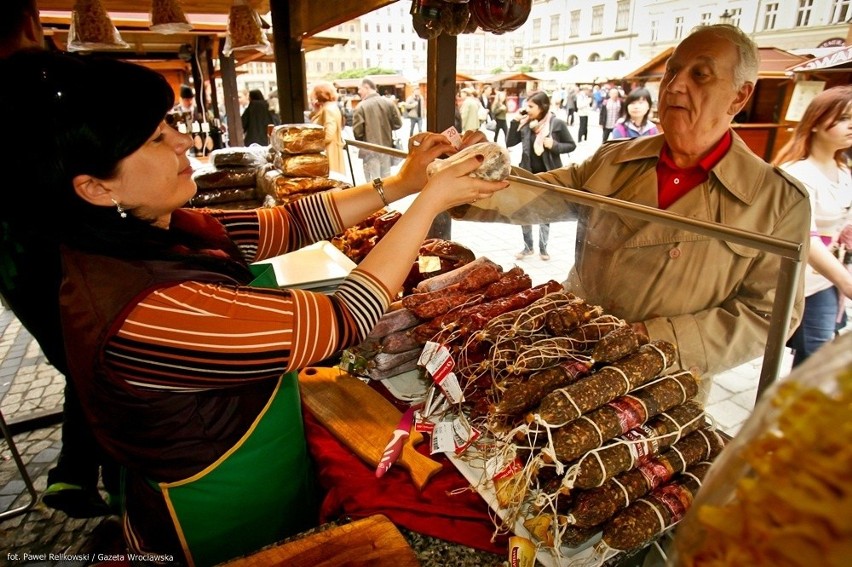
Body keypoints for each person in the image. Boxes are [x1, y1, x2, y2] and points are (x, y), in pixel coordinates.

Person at [0, 50, 507, 565]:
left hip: (259, 465)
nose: (181, 141)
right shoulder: (145, 307)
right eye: (155, 138)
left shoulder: (151, 230)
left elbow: (289, 223)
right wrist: (428, 204)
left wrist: (401, 184)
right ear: (94, 187)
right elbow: (343, 319)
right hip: (217, 513)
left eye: (169, 124)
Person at [454, 24, 811, 398]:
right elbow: (538, 195)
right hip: (566, 352)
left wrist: (651, 339)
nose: (674, 85)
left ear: (739, 97)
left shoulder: (777, 202)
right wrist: (471, 175)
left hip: (657, 383)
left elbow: (768, 316)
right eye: (671, 71)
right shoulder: (616, 160)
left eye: (700, 75)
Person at [0, 0, 118, 520]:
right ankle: (111, 479)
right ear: (28, 20)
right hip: (58, 249)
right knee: (99, 360)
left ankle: (74, 474)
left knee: (81, 360)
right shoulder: (41, 80)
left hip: (12, 261)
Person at [773, 85, 852, 367]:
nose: (851, 125)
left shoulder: (843, 171)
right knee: (815, 355)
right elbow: (806, 237)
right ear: (816, 122)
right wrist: (844, 280)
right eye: (844, 118)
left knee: (817, 352)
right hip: (798, 280)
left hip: (827, 276)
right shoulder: (798, 173)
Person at [507, 91, 576, 261]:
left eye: (531, 106)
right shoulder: (525, 123)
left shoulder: (557, 124)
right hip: (527, 174)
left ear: (543, 107)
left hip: (548, 175)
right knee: (524, 211)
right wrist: (514, 121)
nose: (527, 109)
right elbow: (510, 143)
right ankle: (528, 247)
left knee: (545, 212)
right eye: (527, 105)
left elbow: (571, 145)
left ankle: (543, 248)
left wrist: (554, 145)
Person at [352, 78, 403, 182]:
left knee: (373, 184)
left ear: (367, 87)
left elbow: (358, 132)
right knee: (387, 182)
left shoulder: (361, 107)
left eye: (359, 89)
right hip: (387, 150)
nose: (358, 92)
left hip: (369, 151)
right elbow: (398, 124)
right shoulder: (389, 103)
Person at [310, 81, 346, 176]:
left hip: (329, 153)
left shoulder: (327, 109)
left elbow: (329, 135)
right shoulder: (331, 107)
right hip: (333, 151)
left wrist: (312, 144)